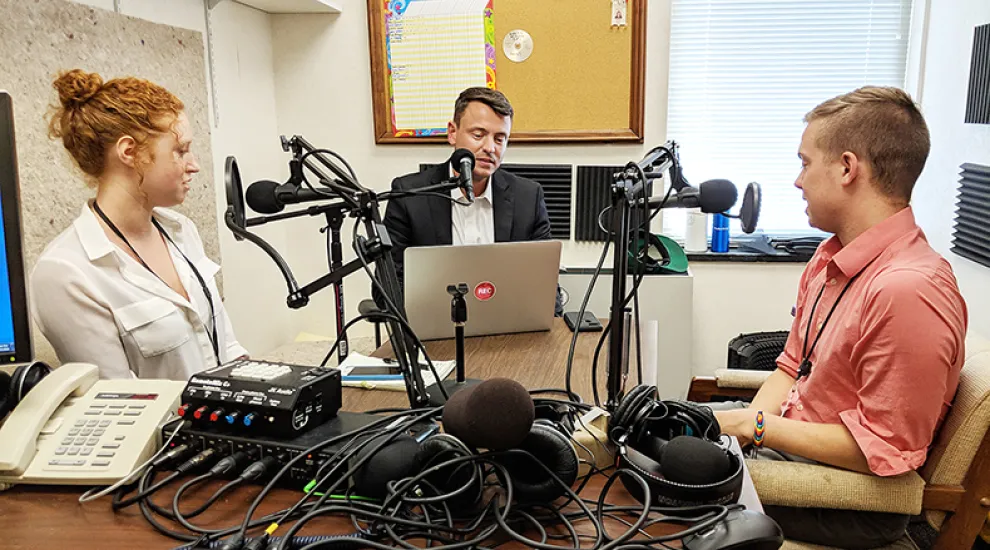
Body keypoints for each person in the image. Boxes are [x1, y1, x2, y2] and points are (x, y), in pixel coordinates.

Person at [711, 86, 967, 548]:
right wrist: (745, 428)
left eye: (805, 163)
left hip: (852, 502)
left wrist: (755, 427)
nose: (797, 180)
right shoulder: (830, 260)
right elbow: (791, 369)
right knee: (657, 431)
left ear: (848, 168)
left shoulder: (909, 291)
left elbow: (885, 452)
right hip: (790, 444)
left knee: (660, 484)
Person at [32, 69, 247, 380]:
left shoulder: (181, 231)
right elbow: (123, 406)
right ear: (129, 152)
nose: (194, 165)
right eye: (180, 150)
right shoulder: (65, 273)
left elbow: (228, 351)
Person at [379, 87, 560, 314]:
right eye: (478, 135)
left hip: (508, 329)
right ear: (453, 133)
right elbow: (386, 288)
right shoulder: (409, 195)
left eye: (500, 138)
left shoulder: (528, 197)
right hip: (435, 329)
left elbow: (547, 287)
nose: (490, 148)